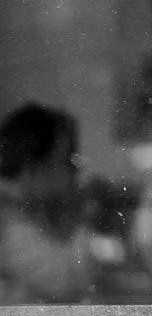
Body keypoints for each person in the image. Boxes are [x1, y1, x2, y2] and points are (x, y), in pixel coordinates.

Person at [0, 103, 94, 302]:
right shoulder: (8, 220)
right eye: (66, 158)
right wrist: (81, 214)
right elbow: (67, 283)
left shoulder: (24, 207)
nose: (74, 170)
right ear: (33, 166)